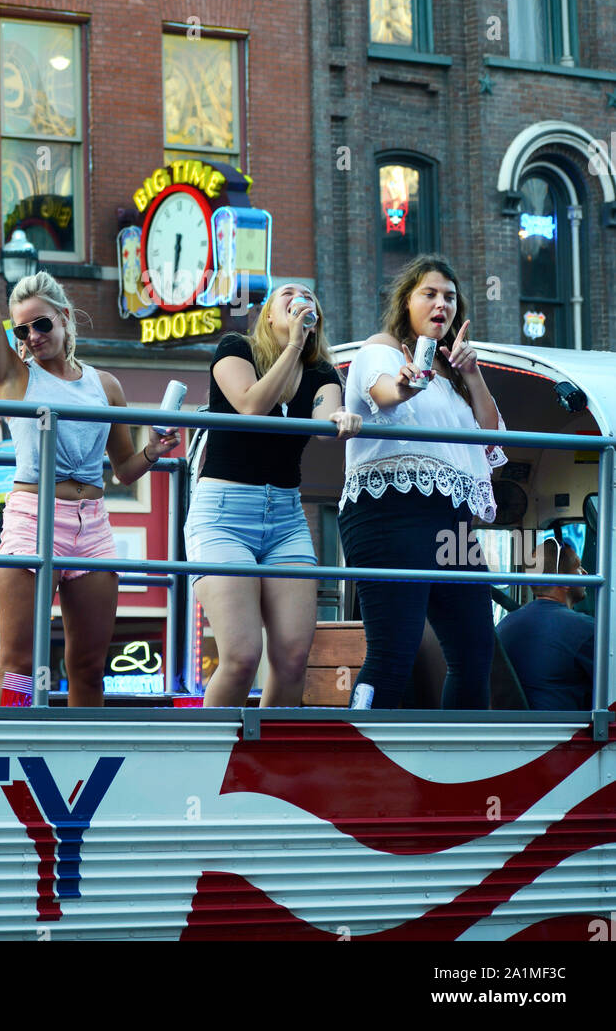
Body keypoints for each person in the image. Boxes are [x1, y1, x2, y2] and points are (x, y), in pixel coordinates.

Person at [0, 195, 178, 708]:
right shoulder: (16, 376)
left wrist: (154, 451)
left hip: (93, 524)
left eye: (42, 324)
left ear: (66, 319)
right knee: (19, 665)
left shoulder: (105, 385)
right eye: (23, 329)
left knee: (88, 667)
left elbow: (124, 470)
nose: (32, 335)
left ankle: (84, 770)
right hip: (31, 516)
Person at [338, 255, 505, 710]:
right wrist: (408, 384)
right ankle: (359, 755)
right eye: (429, 294)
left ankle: (458, 760)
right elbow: (385, 393)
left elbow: (493, 442)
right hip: (388, 512)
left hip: (450, 522)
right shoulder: (382, 349)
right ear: (406, 302)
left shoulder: (454, 377)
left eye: (449, 297)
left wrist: (472, 375)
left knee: (475, 654)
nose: (441, 304)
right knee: (394, 653)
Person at [184, 283, 361, 707]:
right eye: (288, 293)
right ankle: (209, 759)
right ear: (267, 314)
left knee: (293, 656)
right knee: (243, 656)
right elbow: (250, 405)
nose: (301, 297)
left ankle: (270, 763)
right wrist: (293, 346)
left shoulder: (321, 371)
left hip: (285, 517)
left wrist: (340, 417)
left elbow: (325, 419)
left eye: (309, 295)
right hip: (224, 513)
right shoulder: (235, 348)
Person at [496, 538, 593, 710]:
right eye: (578, 567)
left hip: (513, 730)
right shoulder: (585, 630)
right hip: (564, 733)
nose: (586, 573)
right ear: (563, 582)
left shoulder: (504, 625)